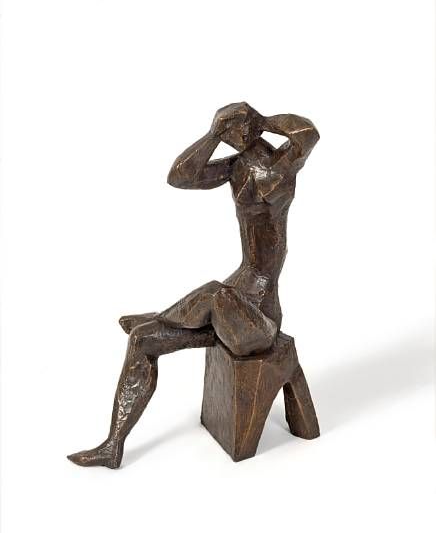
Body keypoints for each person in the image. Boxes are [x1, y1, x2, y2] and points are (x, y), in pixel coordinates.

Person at [67, 102, 319, 468]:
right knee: (143, 339)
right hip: (236, 302)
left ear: (249, 128)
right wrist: (212, 134)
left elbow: (308, 132)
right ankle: (112, 446)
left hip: (261, 318)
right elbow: (180, 176)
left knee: (214, 294)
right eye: (226, 132)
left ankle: (163, 315)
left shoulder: (283, 166)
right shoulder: (235, 168)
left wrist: (261, 120)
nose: (230, 137)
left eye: (233, 130)